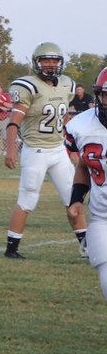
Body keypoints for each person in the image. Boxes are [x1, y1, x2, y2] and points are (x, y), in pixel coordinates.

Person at [3, 42, 87, 259]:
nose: (50, 65)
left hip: (58, 150)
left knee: (73, 198)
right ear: (36, 62)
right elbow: (13, 122)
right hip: (35, 150)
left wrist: (71, 147)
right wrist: (10, 149)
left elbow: (65, 118)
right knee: (28, 199)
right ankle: (11, 249)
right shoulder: (28, 87)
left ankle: (87, 246)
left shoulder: (67, 85)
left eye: (54, 61)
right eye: (46, 61)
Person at [64, 67, 107, 297]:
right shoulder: (80, 126)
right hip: (102, 217)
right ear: (98, 96)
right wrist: (76, 200)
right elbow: (83, 164)